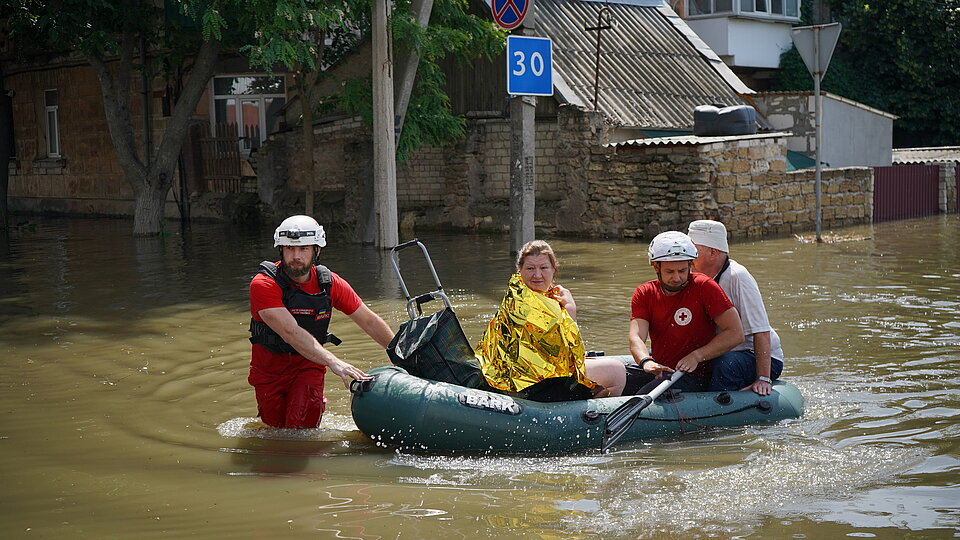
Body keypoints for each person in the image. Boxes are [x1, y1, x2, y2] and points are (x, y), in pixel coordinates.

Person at [247, 215, 395, 428]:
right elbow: (291, 333)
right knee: (275, 431)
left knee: (300, 430)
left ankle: (314, 402)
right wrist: (335, 362)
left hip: (308, 366)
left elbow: (369, 321)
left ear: (317, 250)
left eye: (303, 249)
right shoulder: (263, 284)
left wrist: (401, 356)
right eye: (289, 249)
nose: (295, 256)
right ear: (281, 250)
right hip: (269, 372)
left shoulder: (329, 283)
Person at [474, 240, 624, 400]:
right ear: (520, 270)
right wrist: (571, 310)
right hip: (532, 384)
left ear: (554, 269)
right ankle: (593, 420)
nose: (537, 275)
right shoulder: (532, 304)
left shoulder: (517, 292)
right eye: (530, 268)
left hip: (503, 376)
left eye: (543, 268)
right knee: (618, 372)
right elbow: (563, 354)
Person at [626, 231, 744, 394]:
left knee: (641, 397)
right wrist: (646, 361)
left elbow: (735, 333)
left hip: (693, 374)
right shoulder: (644, 293)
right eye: (670, 272)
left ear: (690, 265)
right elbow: (636, 336)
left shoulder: (705, 287)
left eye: (682, 271)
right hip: (660, 370)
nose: (677, 278)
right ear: (656, 266)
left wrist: (697, 356)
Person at [688, 219, 784, 396]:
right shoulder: (694, 278)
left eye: (693, 252)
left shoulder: (737, 277)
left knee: (725, 364)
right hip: (720, 349)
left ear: (712, 253)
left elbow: (761, 330)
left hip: (755, 356)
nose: (688, 258)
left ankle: (718, 412)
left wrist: (763, 377)